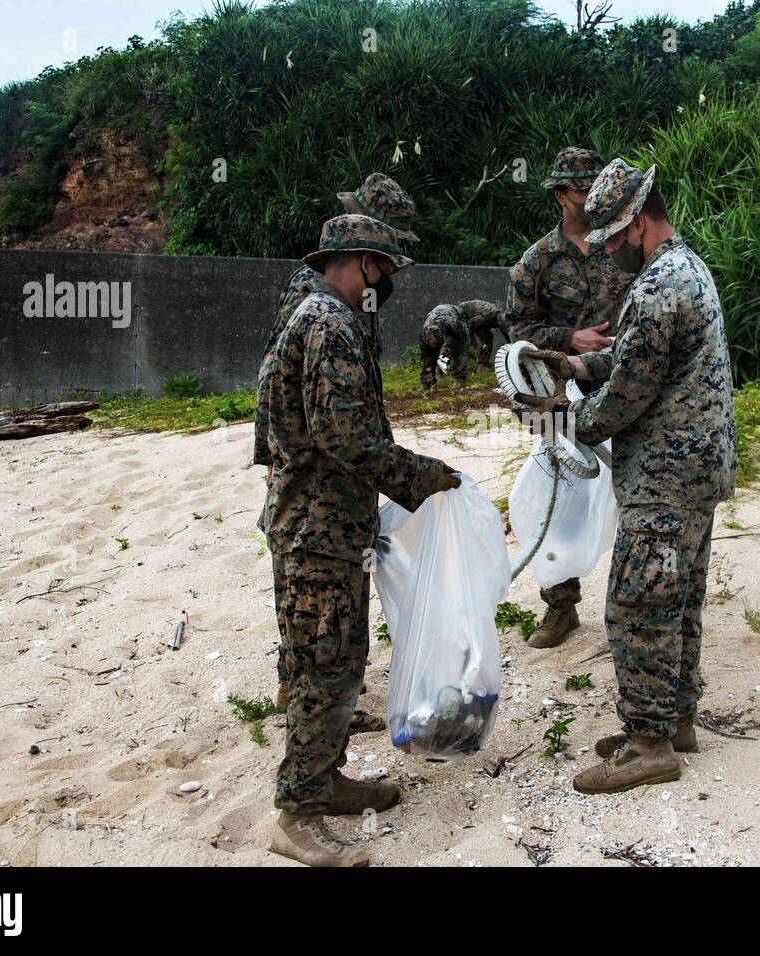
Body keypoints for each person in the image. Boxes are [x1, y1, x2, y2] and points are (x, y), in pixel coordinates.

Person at [513, 159, 737, 795]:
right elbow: (639, 353)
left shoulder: (658, 285)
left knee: (638, 603)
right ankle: (676, 721)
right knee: (680, 596)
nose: (608, 251)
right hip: (699, 466)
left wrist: (564, 420)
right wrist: (581, 366)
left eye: (613, 237)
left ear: (639, 223)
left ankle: (649, 743)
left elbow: (631, 392)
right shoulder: (685, 269)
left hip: (665, 474)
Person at [259, 214, 460, 866]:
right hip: (318, 530)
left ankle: (328, 779)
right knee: (330, 670)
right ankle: (297, 812)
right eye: (388, 267)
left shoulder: (318, 317)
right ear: (364, 262)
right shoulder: (329, 324)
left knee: (337, 660)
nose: (392, 280)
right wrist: (423, 478)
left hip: (322, 523)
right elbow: (344, 436)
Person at [254, 173, 418, 729]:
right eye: (388, 255)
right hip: (316, 482)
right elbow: (309, 404)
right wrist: (412, 476)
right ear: (364, 253)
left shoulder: (344, 303)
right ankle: (306, 703)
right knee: (318, 608)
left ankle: (311, 702)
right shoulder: (319, 305)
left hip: (328, 480)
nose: (394, 269)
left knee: (319, 612)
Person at [504, 147, 634, 649]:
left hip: (625, 384)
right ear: (561, 195)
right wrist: (569, 339)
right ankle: (561, 608)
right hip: (563, 393)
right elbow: (516, 331)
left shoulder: (623, 244)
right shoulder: (536, 261)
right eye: (584, 189)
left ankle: (632, 607)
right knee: (552, 497)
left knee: (633, 491)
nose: (595, 196)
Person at [419, 304, 470, 391]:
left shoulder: (453, 324)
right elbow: (426, 358)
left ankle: (459, 379)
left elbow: (463, 340)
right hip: (438, 317)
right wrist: (426, 379)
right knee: (427, 357)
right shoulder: (423, 335)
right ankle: (427, 383)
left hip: (454, 313)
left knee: (460, 350)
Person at [459, 299, 506, 370]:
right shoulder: (488, 316)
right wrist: (476, 343)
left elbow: (506, 333)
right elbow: (470, 325)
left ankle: (482, 365)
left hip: (481, 316)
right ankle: (482, 365)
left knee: (487, 337)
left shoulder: (497, 318)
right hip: (469, 315)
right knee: (485, 338)